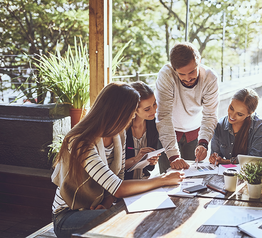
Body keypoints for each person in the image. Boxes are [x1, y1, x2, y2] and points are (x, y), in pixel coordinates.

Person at [51, 82, 183, 238]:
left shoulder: (118, 135)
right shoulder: (80, 142)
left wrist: (105, 204)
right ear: (118, 113)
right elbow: (118, 187)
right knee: (128, 224)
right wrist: (163, 180)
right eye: (131, 113)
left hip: (96, 207)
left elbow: (116, 180)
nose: (132, 118)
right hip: (68, 216)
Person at [155, 42, 219, 172]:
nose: (188, 78)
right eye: (181, 74)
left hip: (195, 135)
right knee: (168, 180)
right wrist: (173, 156)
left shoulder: (210, 78)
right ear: (174, 69)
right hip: (168, 134)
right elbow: (164, 116)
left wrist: (203, 143)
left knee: (195, 179)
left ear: (199, 61)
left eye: (191, 72)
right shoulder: (166, 75)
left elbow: (210, 115)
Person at [209, 88, 262, 164]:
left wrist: (227, 161)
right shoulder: (220, 125)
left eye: (239, 114)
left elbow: (256, 159)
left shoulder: (260, 126)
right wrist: (214, 158)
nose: (232, 116)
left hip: (250, 174)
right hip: (226, 173)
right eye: (231, 108)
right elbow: (215, 156)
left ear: (250, 113)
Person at [124, 82, 161, 180]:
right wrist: (136, 159)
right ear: (134, 109)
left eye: (154, 104)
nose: (154, 111)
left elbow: (150, 168)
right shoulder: (122, 130)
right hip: (124, 184)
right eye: (147, 109)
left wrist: (151, 161)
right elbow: (113, 168)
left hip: (144, 181)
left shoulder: (153, 125)